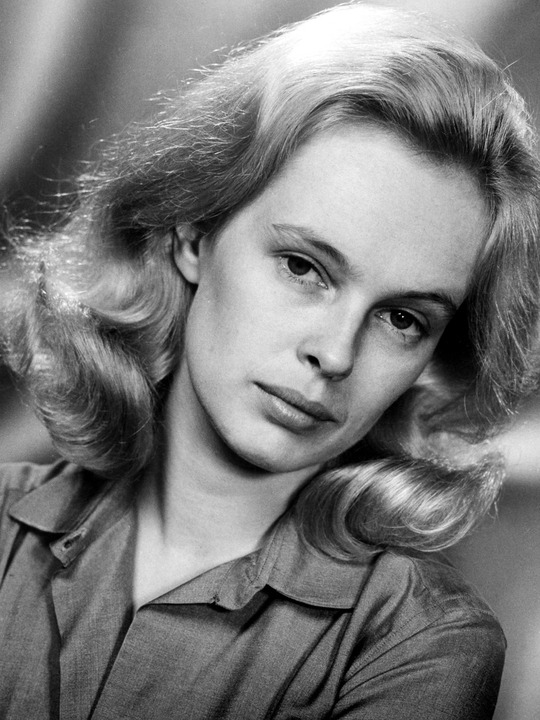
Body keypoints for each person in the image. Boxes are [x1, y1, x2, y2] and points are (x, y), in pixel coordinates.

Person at [1, 3, 539, 718]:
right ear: (193, 232)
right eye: (303, 267)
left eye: (403, 319)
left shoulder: (419, 643)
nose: (335, 353)